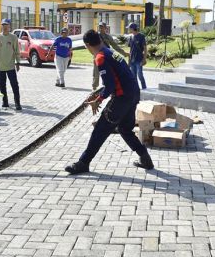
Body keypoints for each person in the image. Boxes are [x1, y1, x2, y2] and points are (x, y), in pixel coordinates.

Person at [65, 30, 153, 175]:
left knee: (100, 129)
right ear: (100, 39)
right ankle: (145, 158)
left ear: (87, 45)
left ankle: (83, 163)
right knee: (125, 129)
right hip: (133, 94)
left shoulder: (100, 57)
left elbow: (110, 86)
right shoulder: (110, 51)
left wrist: (98, 100)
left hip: (122, 98)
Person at [0, 19, 22, 110]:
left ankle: (17, 103)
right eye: (3, 25)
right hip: (0, 66)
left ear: (9, 26)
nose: (5, 27)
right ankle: (5, 102)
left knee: (14, 85)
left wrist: (18, 62)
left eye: (7, 25)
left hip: (11, 66)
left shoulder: (13, 37)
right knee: (2, 85)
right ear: (1, 26)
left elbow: (17, 51)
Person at [92, 22, 128, 90]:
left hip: (106, 57)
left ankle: (105, 86)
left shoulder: (108, 37)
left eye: (102, 27)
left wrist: (124, 53)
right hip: (97, 56)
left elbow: (115, 46)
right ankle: (94, 87)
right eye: (99, 27)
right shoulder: (95, 36)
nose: (100, 28)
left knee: (105, 72)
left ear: (106, 28)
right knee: (96, 72)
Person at [127, 22, 147, 89]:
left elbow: (145, 49)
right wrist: (129, 61)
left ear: (132, 29)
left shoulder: (141, 36)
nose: (128, 29)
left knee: (140, 75)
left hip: (139, 59)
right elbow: (130, 50)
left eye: (129, 28)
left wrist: (144, 59)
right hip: (132, 60)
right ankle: (136, 89)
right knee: (133, 76)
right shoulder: (130, 37)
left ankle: (144, 87)